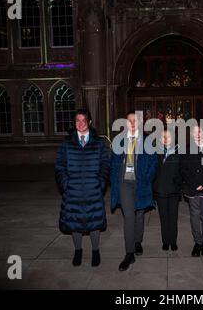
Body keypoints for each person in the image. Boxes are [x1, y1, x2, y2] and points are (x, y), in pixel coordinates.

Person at [55, 109, 110, 267]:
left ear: (89, 122)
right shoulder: (67, 143)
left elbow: (105, 165)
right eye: (77, 120)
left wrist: (100, 183)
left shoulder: (99, 143)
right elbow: (60, 165)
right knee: (75, 222)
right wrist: (65, 184)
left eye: (83, 120)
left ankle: (95, 251)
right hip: (73, 190)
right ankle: (78, 251)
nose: (80, 124)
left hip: (93, 189)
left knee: (94, 222)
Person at [110, 111, 158, 271]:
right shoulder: (120, 140)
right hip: (125, 183)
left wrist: (146, 177)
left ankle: (137, 241)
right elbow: (114, 162)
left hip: (141, 182)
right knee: (129, 216)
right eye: (129, 120)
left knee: (139, 213)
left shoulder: (148, 141)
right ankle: (129, 253)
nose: (132, 123)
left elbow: (153, 163)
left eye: (135, 120)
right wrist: (115, 179)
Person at [180, 125, 203, 257]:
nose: (197, 134)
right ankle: (197, 242)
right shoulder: (186, 150)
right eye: (195, 132)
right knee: (194, 215)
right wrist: (194, 184)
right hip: (192, 188)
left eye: (200, 131)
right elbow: (183, 170)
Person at [153, 129, 182, 251]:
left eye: (168, 137)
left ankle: (173, 241)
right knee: (163, 217)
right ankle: (165, 241)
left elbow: (182, 171)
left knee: (173, 217)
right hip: (160, 190)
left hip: (174, 190)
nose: (165, 139)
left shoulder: (179, 152)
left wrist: (180, 184)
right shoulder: (156, 152)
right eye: (163, 137)